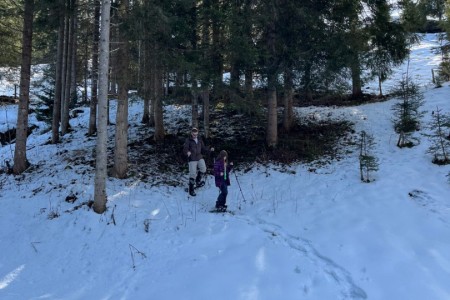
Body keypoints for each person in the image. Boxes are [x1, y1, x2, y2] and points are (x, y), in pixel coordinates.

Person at [183, 127, 213, 196]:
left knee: (203, 169)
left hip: (199, 157)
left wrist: (209, 149)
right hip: (192, 158)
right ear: (191, 133)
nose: (195, 136)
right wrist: (187, 152)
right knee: (192, 173)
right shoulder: (188, 140)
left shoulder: (199, 140)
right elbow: (185, 149)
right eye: (194, 134)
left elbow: (203, 148)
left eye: (196, 134)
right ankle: (191, 189)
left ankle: (198, 181)